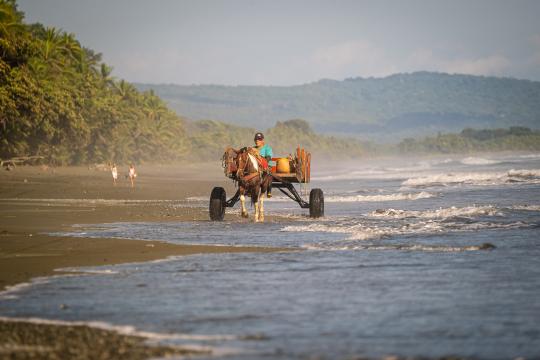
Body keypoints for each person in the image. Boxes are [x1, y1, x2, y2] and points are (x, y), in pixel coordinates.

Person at [253, 132, 273, 197]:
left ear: (262, 140)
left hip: (265, 165)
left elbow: (268, 157)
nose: (257, 141)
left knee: (269, 173)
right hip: (255, 167)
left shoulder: (267, 148)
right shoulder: (253, 148)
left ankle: (269, 190)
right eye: (256, 139)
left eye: (259, 139)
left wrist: (262, 162)